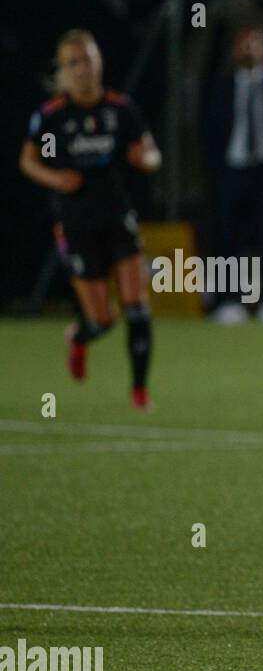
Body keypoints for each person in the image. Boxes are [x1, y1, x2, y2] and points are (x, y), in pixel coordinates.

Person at [19, 29, 161, 410]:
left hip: (118, 219)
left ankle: (139, 391)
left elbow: (151, 153)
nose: (83, 68)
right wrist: (56, 178)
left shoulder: (120, 110)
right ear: (64, 71)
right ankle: (80, 339)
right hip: (77, 225)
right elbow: (28, 161)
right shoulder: (53, 117)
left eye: (88, 59)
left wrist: (144, 160)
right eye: (73, 63)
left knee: (137, 306)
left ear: (99, 62)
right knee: (103, 320)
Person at [202, 25, 263, 325]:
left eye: (255, 44)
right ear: (235, 50)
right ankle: (229, 301)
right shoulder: (221, 86)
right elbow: (208, 132)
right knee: (227, 237)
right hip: (232, 168)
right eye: (243, 45)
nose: (249, 50)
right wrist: (216, 172)